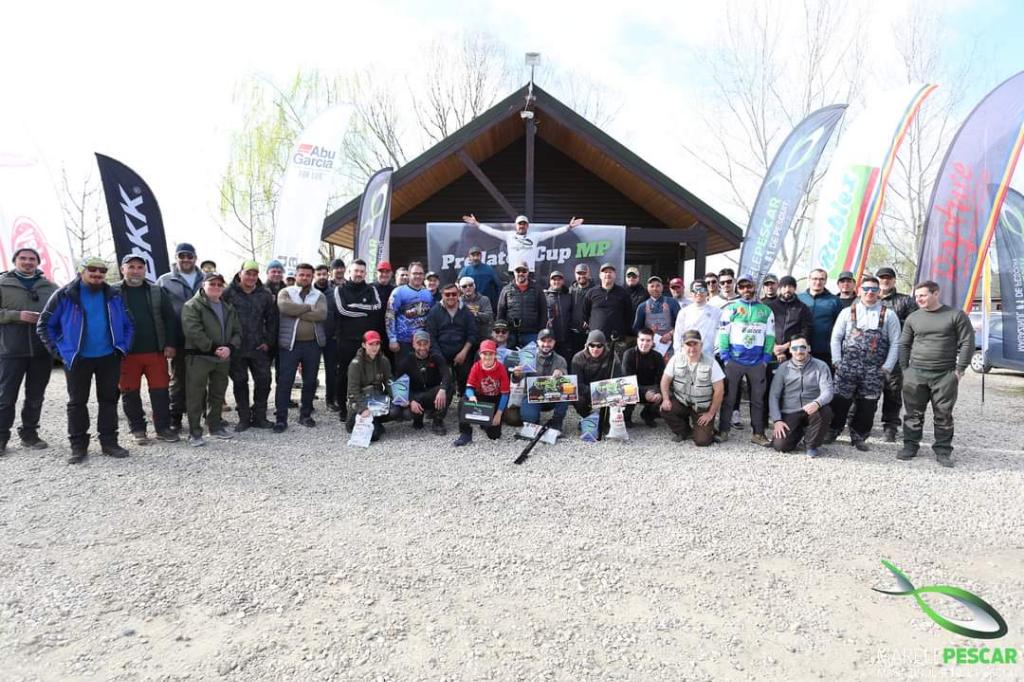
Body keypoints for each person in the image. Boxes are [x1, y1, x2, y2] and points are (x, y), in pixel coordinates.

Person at [38, 257, 133, 463]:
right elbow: (44, 324)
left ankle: (109, 442)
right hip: (77, 358)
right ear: (81, 271)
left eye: (102, 271)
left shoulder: (114, 294)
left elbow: (128, 324)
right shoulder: (64, 294)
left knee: (108, 400)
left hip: (109, 357)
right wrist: (60, 352)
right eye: (92, 269)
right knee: (77, 403)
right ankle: (78, 446)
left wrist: (123, 347)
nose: (97, 274)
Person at [897, 281, 974, 467]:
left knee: (943, 414)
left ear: (936, 293)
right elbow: (904, 344)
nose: (919, 299)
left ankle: (943, 450)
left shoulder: (955, 315)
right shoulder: (913, 317)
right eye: (917, 296)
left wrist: (960, 370)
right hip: (916, 373)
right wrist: (905, 370)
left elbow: (967, 342)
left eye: (923, 295)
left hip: (944, 374)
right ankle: (910, 446)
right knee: (913, 414)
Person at [826, 275, 901, 451]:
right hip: (847, 367)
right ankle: (832, 430)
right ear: (859, 291)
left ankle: (859, 435)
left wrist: (887, 367)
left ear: (878, 292)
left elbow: (896, 343)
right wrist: (836, 360)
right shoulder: (847, 312)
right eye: (866, 289)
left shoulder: (889, 315)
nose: (869, 292)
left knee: (867, 405)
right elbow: (836, 338)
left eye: (874, 289)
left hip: (873, 370)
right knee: (839, 401)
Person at [112, 254, 178, 444]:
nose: (136, 271)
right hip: (126, 353)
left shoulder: (156, 290)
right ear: (123, 269)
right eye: (131, 267)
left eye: (140, 267)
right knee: (129, 392)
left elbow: (169, 318)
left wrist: (170, 344)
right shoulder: (112, 291)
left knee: (160, 391)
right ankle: (138, 429)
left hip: (155, 351)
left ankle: (163, 428)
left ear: (145, 270)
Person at [0, 247, 58, 454]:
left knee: (36, 396)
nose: (27, 262)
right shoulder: (3, 284)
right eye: (23, 258)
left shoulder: (50, 287)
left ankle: (30, 434)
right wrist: (16, 315)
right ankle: (1, 437)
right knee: (5, 397)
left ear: (38, 262)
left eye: (32, 259)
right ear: (15, 261)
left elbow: (61, 314)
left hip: (42, 351)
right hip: (10, 351)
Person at [181, 271, 241, 447]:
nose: (216, 287)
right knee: (195, 395)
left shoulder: (228, 307)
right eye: (212, 284)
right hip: (199, 357)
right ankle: (194, 432)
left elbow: (237, 331)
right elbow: (193, 331)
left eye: (219, 284)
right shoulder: (192, 306)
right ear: (203, 285)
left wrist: (230, 347)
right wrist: (214, 348)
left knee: (218, 393)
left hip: (222, 358)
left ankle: (215, 426)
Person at [716, 273, 774, 445]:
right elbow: (723, 334)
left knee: (757, 400)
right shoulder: (730, 309)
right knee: (729, 398)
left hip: (757, 363)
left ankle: (758, 433)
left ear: (754, 287)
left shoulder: (766, 310)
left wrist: (765, 359)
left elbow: (770, 336)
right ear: (738, 289)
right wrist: (725, 357)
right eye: (742, 287)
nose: (746, 289)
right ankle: (723, 430)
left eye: (749, 286)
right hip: (734, 361)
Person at [222, 260, 278, 431]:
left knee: (264, 380)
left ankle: (260, 416)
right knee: (240, 382)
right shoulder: (228, 293)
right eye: (248, 273)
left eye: (254, 274)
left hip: (258, 347)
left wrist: (268, 341)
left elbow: (272, 319)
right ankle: (244, 418)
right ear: (240, 274)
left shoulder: (264, 294)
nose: (251, 277)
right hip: (236, 347)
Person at [274, 263, 327, 432]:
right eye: (301, 274)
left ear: (312, 277)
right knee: (285, 381)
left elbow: (321, 314)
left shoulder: (318, 295)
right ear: (296, 275)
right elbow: (285, 307)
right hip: (290, 344)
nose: (304, 278)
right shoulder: (285, 292)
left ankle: (305, 415)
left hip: (312, 344)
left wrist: (296, 312)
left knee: (310, 381)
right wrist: (308, 308)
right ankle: (281, 419)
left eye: (308, 275)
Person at [332, 259, 386, 424]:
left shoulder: (371, 289)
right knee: (344, 375)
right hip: (346, 340)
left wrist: (354, 306)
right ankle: (343, 408)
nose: (359, 274)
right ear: (349, 272)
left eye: (362, 271)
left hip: (368, 342)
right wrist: (364, 311)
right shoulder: (339, 289)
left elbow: (377, 307)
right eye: (356, 271)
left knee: (370, 375)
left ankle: (369, 407)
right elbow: (343, 310)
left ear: (365, 273)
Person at [157, 243, 203, 432]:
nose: (186, 259)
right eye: (181, 256)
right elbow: (159, 312)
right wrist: (167, 341)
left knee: (202, 378)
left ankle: (203, 416)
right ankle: (175, 417)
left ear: (195, 258)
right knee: (178, 379)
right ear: (176, 258)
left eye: (189, 256)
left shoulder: (206, 279)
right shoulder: (164, 281)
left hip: (202, 338)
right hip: (178, 337)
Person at [769, 336, 834, 457]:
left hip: (812, 409)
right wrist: (777, 420)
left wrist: (817, 403)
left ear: (809, 348)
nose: (799, 351)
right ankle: (799, 432)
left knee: (825, 411)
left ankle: (811, 445)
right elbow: (774, 396)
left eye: (802, 347)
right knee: (780, 446)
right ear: (790, 350)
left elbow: (828, 391)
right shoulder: (783, 368)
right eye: (795, 348)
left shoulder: (821, 366)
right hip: (790, 411)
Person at [660, 329, 725, 446]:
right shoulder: (675, 359)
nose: (692, 348)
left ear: (701, 345)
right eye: (688, 344)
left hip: (702, 406)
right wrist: (665, 399)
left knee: (702, 441)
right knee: (665, 409)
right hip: (682, 401)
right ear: (682, 346)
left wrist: (710, 413)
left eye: (695, 344)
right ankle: (685, 431)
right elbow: (665, 380)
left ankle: (707, 431)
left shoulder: (711, 363)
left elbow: (719, 390)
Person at [462, 213, 584, 274]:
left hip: (529, 272)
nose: (522, 226)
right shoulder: (509, 235)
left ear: (527, 226)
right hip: (513, 272)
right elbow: (492, 231)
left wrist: (568, 227)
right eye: (520, 224)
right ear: (516, 225)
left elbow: (552, 233)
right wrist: (477, 224)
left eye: (524, 224)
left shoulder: (535, 236)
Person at [763, 275, 813, 425]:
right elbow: (764, 328)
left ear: (795, 288)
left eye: (790, 286)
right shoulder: (770, 306)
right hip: (771, 351)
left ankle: (786, 417)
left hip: (793, 353)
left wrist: (786, 347)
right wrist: (774, 348)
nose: (787, 289)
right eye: (784, 286)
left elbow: (805, 331)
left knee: (789, 386)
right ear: (779, 288)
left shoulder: (802, 308)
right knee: (768, 385)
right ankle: (765, 418)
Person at [877, 266, 917, 442]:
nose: (885, 280)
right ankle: (861, 424)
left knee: (892, 391)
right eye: (882, 278)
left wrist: (892, 322)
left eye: (888, 278)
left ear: (894, 280)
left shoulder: (906, 301)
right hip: (871, 353)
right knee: (865, 391)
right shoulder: (868, 298)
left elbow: (914, 324)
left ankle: (890, 426)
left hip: (895, 352)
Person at [391, 330, 451, 435]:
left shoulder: (436, 357)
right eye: (419, 344)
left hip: (431, 394)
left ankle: (438, 421)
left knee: (448, 388)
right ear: (413, 344)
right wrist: (411, 401)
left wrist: (443, 389)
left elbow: (447, 374)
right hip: (415, 397)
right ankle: (418, 417)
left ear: (429, 344)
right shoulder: (406, 361)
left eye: (425, 344)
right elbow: (399, 385)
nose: (422, 348)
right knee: (407, 415)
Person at [453, 339, 509, 446]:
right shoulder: (476, 367)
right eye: (484, 354)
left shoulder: (501, 368)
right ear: (480, 354)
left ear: (495, 355)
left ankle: (485, 423)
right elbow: (469, 388)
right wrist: (471, 396)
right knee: (463, 401)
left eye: (490, 354)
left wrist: (499, 413)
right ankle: (465, 433)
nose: (487, 357)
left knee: (494, 435)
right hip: (479, 396)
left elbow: (505, 394)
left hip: (495, 399)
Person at [426, 283, 477, 393]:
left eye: (454, 294)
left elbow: (472, 334)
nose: (451, 297)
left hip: (462, 351)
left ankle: (463, 397)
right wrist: (439, 357)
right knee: (436, 376)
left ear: (458, 294)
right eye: (447, 294)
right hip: (440, 351)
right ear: (442, 295)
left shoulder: (466, 312)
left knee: (466, 375)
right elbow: (431, 336)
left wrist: (463, 352)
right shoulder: (434, 312)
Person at [516, 328, 570, 433]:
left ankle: (557, 421)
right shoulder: (528, 356)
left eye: (550, 341)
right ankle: (534, 417)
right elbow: (517, 379)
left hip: (553, 396)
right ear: (537, 342)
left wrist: (561, 373)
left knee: (567, 393)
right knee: (529, 418)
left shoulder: (561, 360)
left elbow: (567, 381)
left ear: (554, 342)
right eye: (543, 341)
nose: (546, 344)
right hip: (533, 396)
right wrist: (516, 374)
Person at [345, 330, 392, 441]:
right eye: (371, 344)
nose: (374, 347)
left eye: (377, 344)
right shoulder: (356, 364)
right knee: (373, 436)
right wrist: (363, 409)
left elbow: (389, 382)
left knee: (396, 411)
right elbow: (353, 390)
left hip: (376, 400)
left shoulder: (383, 361)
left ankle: (376, 421)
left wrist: (397, 398)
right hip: (360, 402)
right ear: (364, 345)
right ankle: (353, 421)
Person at [386, 261, 434, 363]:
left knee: (422, 371)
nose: (418, 276)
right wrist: (392, 339)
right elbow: (390, 315)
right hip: (403, 341)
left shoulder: (428, 294)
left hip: (422, 342)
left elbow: (431, 317)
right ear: (409, 274)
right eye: (415, 273)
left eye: (420, 273)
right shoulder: (398, 292)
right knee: (404, 371)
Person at [618, 328, 666, 427]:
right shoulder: (629, 354)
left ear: (652, 342)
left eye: (648, 340)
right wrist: (644, 392)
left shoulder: (658, 357)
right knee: (627, 390)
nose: (645, 343)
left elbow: (662, 379)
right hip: (632, 387)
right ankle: (626, 417)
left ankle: (648, 415)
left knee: (664, 395)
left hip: (651, 388)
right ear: (637, 340)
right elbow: (627, 381)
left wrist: (659, 392)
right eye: (642, 340)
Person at [798, 268, 843, 367]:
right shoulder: (798, 299)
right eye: (815, 278)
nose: (818, 282)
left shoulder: (835, 301)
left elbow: (840, 327)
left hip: (825, 351)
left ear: (825, 281)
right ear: (809, 280)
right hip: (800, 350)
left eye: (821, 279)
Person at [496, 261, 547, 348]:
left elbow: (543, 311)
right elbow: (501, 312)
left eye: (524, 271)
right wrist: (501, 332)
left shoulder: (537, 289)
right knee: (509, 357)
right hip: (511, 334)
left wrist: (540, 332)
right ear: (514, 272)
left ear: (528, 272)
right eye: (518, 271)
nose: (521, 273)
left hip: (531, 334)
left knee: (530, 357)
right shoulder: (506, 290)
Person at [571, 330, 615, 423]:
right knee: (577, 398)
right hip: (587, 392)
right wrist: (595, 391)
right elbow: (577, 384)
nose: (595, 349)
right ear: (587, 345)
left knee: (605, 423)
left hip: (606, 392)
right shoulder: (578, 358)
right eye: (592, 345)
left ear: (604, 346)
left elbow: (617, 377)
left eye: (599, 346)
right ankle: (587, 417)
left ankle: (604, 417)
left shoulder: (612, 357)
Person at [582, 263, 633, 342]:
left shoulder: (623, 293)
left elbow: (629, 315)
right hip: (596, 340)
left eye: (610, 272)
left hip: (617, 339)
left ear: (615, 275)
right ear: (600, 275)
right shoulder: (591, 292)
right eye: (605, 272)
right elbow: (585, 313)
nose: (608, 274)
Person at [313, 264, 340, 410]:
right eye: (319, 274)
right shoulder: (309, 292)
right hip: (313, 338)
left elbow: (339, 315)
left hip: (331, 338)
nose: (322, 277)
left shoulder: (335, 293)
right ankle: (308, 400)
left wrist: (336, 333)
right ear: (315, 275)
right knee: (311, 370)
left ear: (328, 275)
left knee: (331, 371)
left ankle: (331, 400)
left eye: (324, 274)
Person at [632, 276, 679, 356]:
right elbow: (636, 329)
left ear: (662, 287)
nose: (655, 288)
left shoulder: (672, 303)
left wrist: (671, 334)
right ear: (647, 288)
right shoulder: (642, 307)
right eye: (652, 286)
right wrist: (647, 338)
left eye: (658, 286)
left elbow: (681, 324)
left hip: (670, 348)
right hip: (650, 348)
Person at [674, 281, 721, 357]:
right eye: (695, 290)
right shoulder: (684, 312)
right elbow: (678, 335)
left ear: (707, 292)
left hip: (709, 355)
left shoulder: (717, 312)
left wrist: (716, 352)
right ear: (691, 293)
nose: (698, 293)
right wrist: (678, 353)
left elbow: (719, 333)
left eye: (701, 290)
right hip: (687, 355)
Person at [544, 270, 573, 358]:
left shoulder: (569, 296)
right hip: (550, 339)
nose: (556, 282)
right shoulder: (544, 296)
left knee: (566, 361)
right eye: (554, 279)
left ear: (563, 281)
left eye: (559, 279)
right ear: (550, 281)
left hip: (567, 338)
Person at [568, 263, 594, 357]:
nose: (582, 276)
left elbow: (598, 310)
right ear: (575, 274)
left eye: (584, 273)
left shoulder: (595, 290)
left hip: (589, 333)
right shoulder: (570, 290)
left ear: (588, 274)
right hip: (573, 333)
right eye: (579, 273)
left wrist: (589, 320)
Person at [459, 276, 494, 343]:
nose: (468, 288)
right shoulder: (458, 301)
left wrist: (475, 314)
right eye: (464, 286)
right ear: (460, 289)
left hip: (483, 336)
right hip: (466, 338)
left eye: (470, 285)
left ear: (474, 286)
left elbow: (489, 317)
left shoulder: (484, 299)